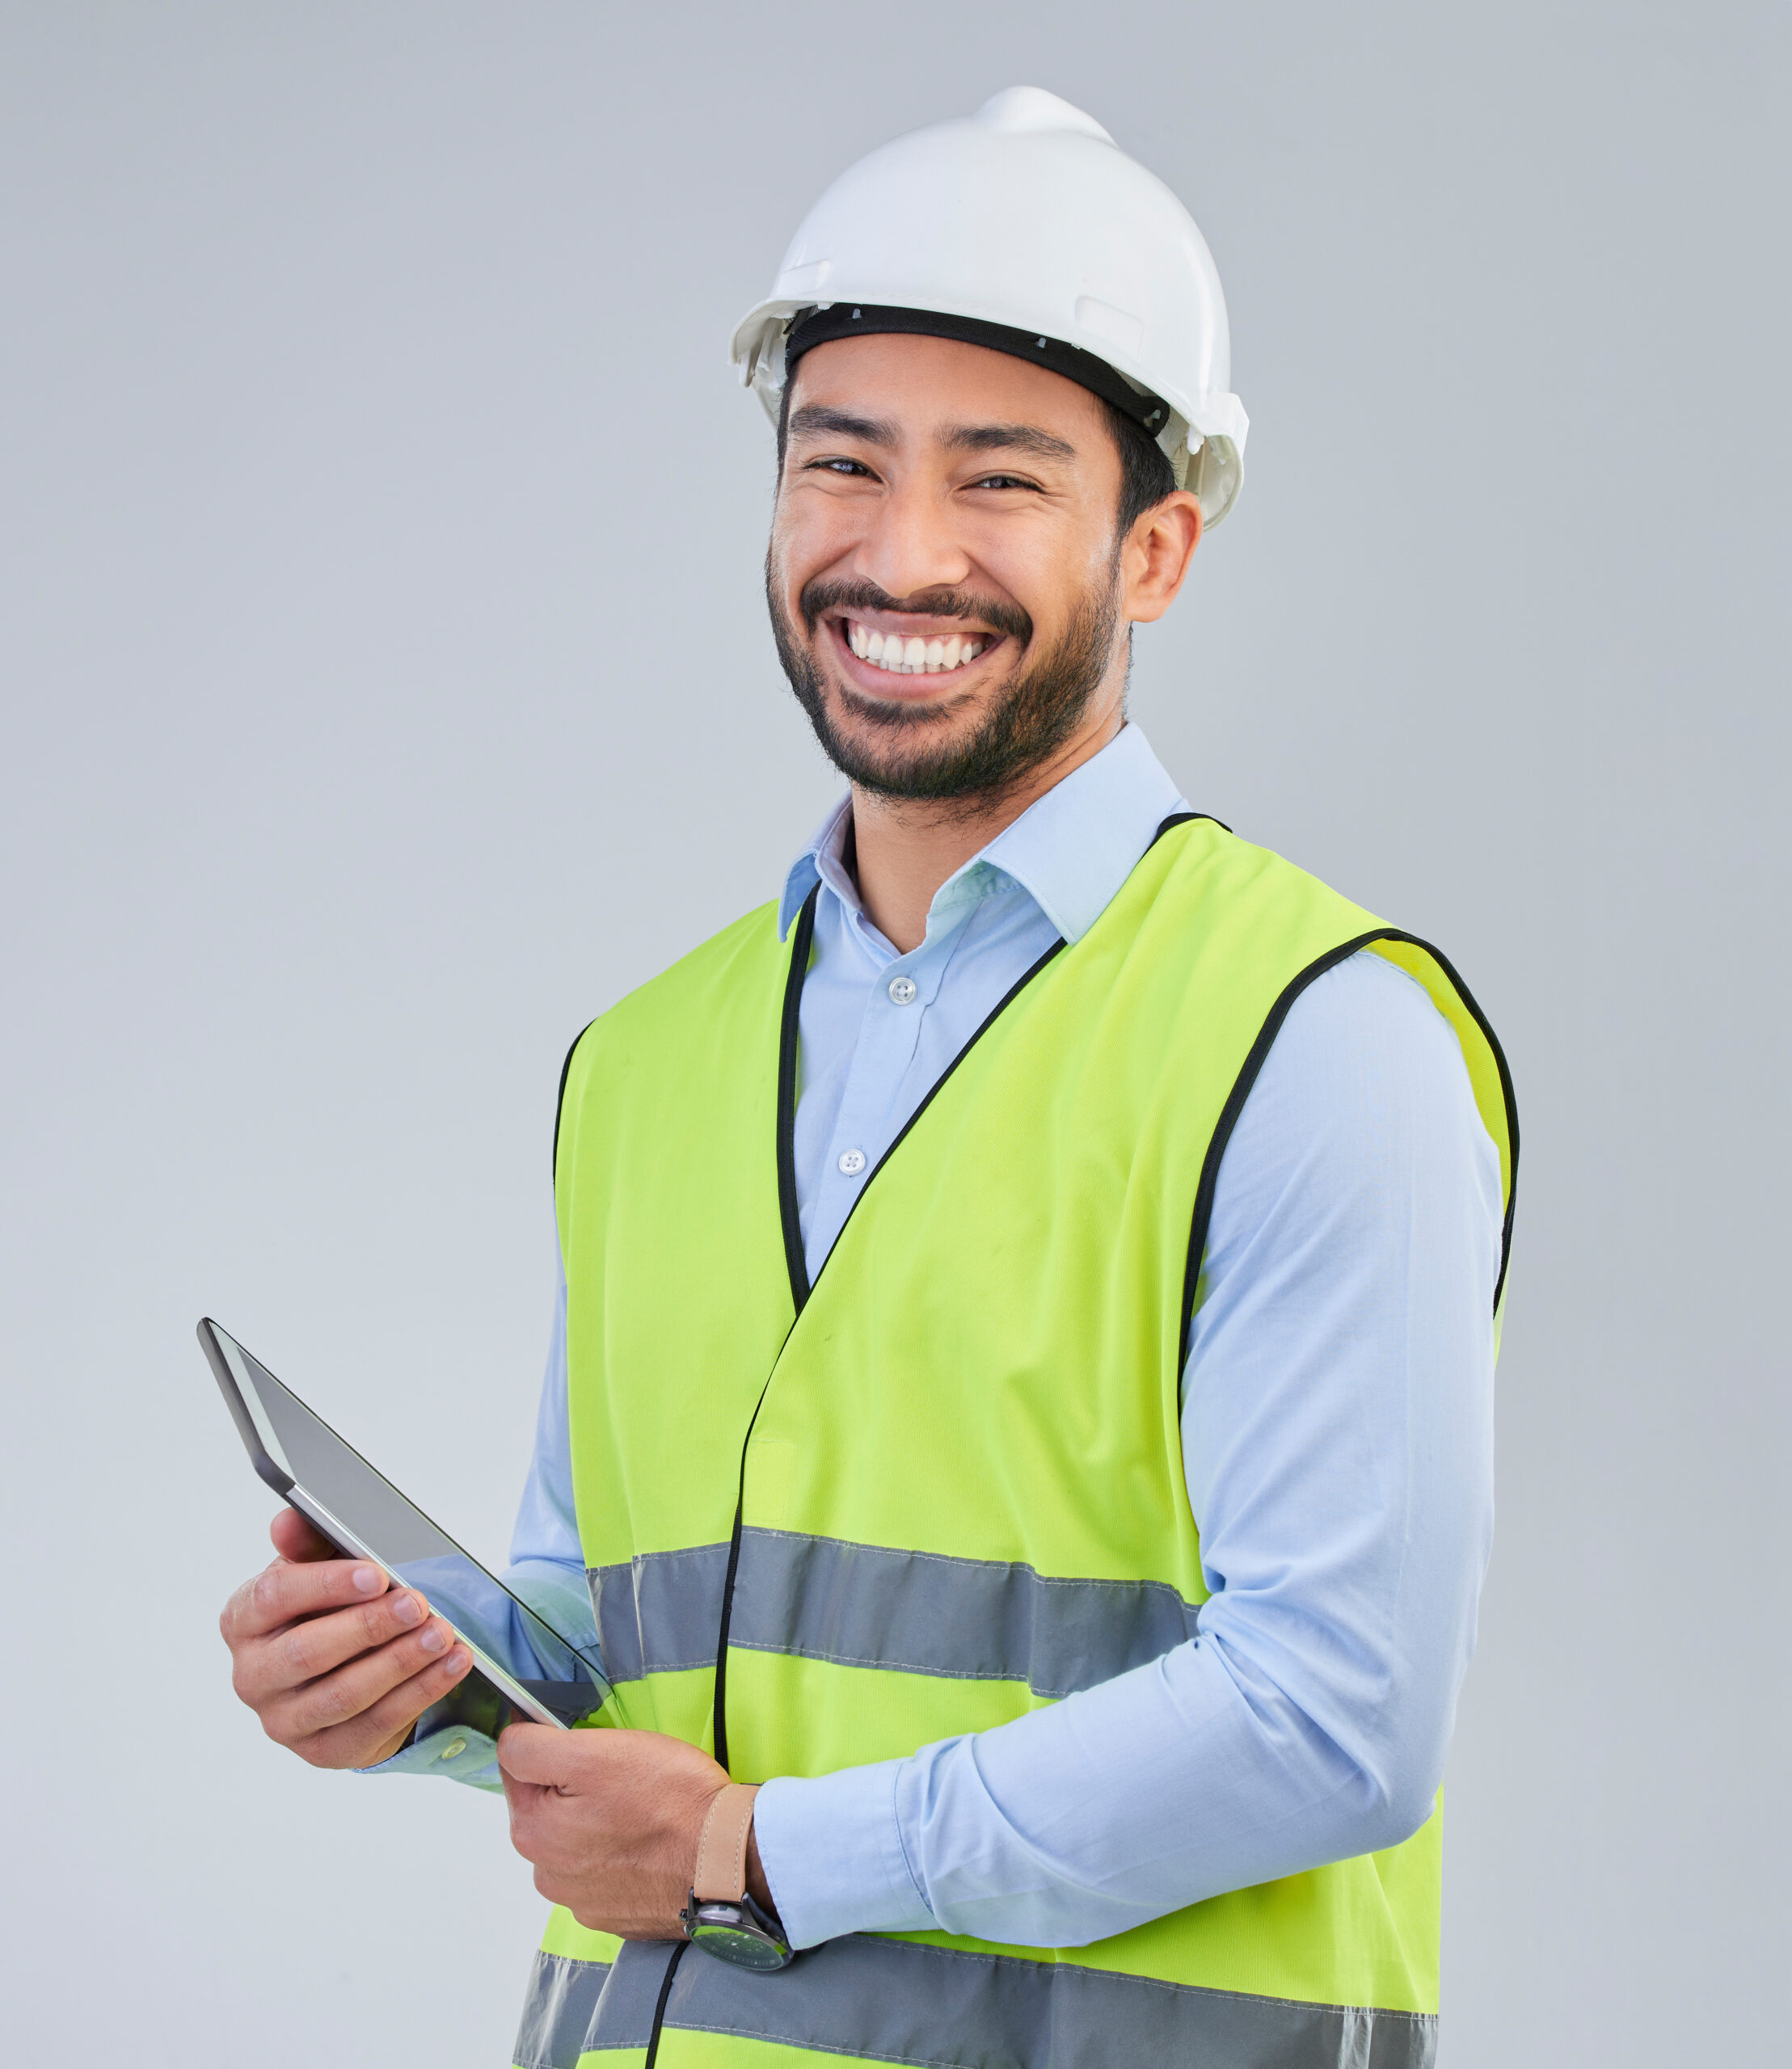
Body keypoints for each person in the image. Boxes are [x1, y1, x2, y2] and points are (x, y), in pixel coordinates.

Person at [217, 87, 1516, 2069]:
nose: (901, 554)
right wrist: (431, 1691)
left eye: (998, 480)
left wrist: (753, 1851)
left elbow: (1332, 1714)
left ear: (1152, 546)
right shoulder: (647, 1060)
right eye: (842, 464)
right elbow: (629, 1642)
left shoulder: (1318, 1037)